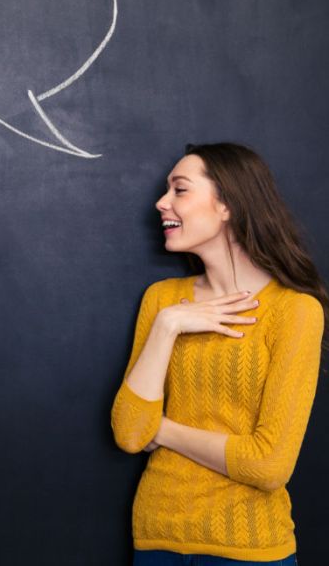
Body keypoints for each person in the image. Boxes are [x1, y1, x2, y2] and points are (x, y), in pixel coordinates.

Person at [111, 143, 327, 566]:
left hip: (250, 549)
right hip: (157, 540)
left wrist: (165, 431)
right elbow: (131, 433)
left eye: (180, 190)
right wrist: (169, 326)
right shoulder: (162, 301)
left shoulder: (294, 311)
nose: (161, 202)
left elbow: (269, 465)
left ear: (227, 204)